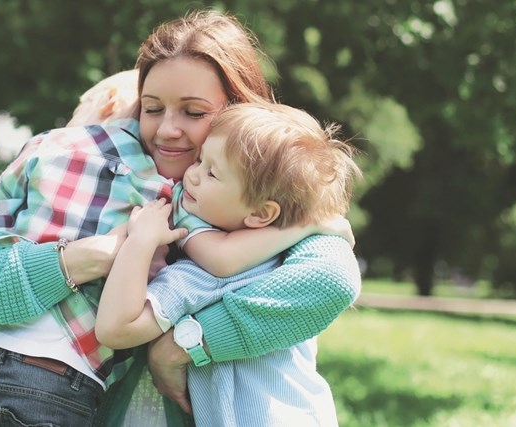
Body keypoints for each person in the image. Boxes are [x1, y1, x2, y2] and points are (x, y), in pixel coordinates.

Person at [0, 9, 358, 427]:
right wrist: (80, 259)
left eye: (195, 112)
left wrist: (181, 346)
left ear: (241, 115)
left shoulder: (284, 196)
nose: (166, 130)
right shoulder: (97, 167)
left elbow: (330, 281)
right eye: (151, 108)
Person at [96, 102, 361, 426]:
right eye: (200, 159)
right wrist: (309, 224)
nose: (191, 175)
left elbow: (114, 328)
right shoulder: (290, 262)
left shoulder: (206, 277)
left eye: (211, 172)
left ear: (262, 214)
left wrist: (140, 240)